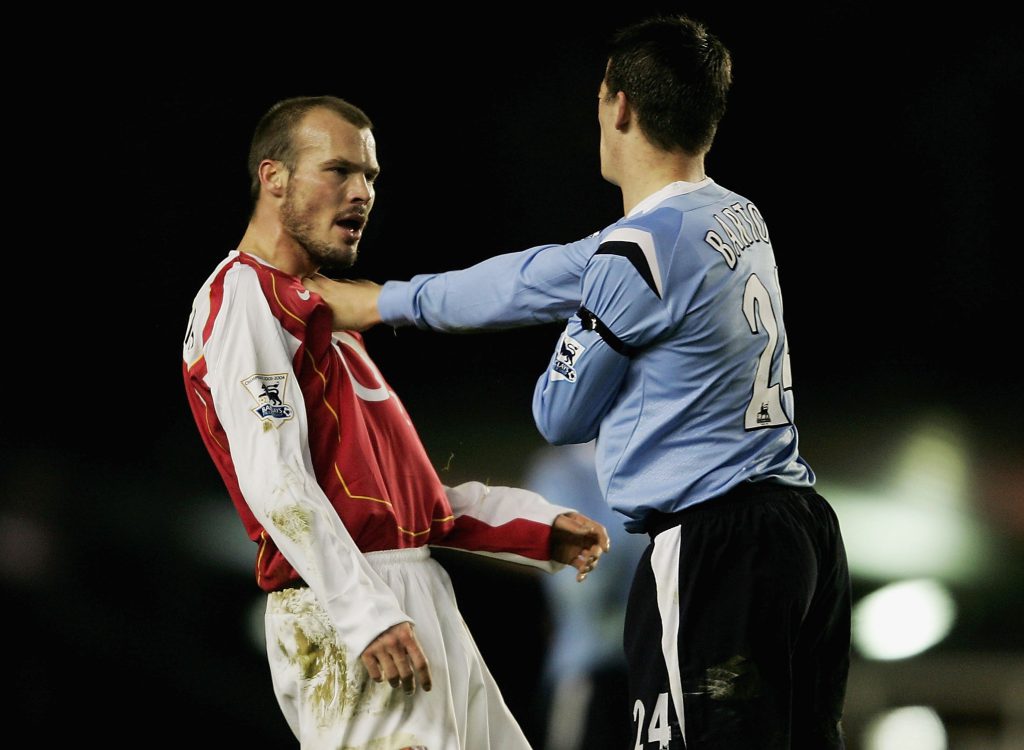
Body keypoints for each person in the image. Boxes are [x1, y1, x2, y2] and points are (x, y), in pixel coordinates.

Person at [304, 13, 853, 749]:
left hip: (715, 548)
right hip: (801, 532)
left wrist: (594, 325)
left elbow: (557, 413)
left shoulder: (634, 256)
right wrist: (387, 301)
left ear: (619, 104)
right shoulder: (733, 216)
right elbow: (527, 278)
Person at [180, 95, 611, 750]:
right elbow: (276, 484)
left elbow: (412, 507)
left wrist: (534, 527)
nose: (360, 194)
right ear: (274, 178)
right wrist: (362, 614)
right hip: (345, 606)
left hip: (411, 596)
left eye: (371, 178)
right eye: (339, 171)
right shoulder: (242, 297)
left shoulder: (324, 319)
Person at [521, 440, 648, 750]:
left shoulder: (651, 462)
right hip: (589, 670)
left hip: (653, 671)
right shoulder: (559, 473)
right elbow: (584, 588)